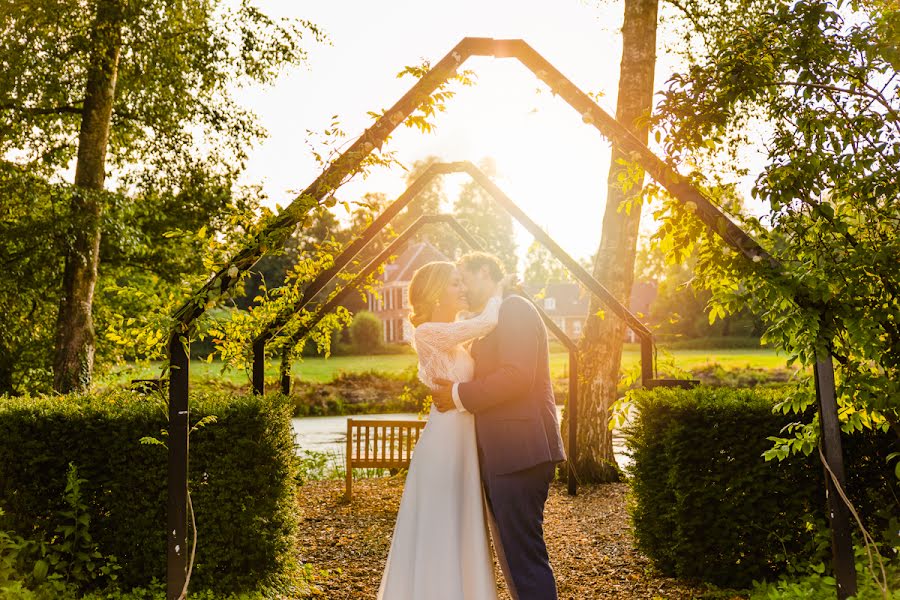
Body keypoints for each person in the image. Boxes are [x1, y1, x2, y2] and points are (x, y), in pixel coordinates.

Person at [431, 252, 566, 600]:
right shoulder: (491, 320)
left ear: (487, 272)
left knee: (524, 558)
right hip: (503, 455)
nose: (461, 288)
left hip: (520, 451)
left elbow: (518, 376)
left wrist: (459, 394)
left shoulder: (515, 309)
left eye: (465, 277)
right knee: (513, 557)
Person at [377, 260, 502, 600]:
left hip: (463, 440)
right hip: (444, 444)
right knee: (442, 525)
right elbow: (488, 320)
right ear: (434, 294)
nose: (463, 290)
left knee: (463, 522)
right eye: (455, 284)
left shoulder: (455, 335)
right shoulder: (428, 333)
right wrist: (500, 289)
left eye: (463, 283)